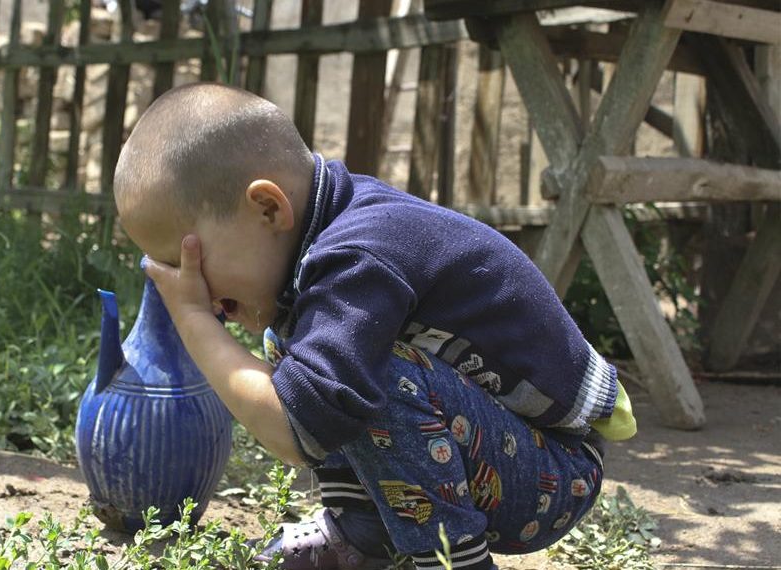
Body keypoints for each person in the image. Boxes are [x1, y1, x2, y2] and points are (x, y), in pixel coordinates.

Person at [112, 82, 637, 570]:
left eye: (188, 264)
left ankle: (450, 559)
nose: (193, 288)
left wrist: (196, 320)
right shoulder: (331, 243)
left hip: (554, 472)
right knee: (300, 345)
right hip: (506, 448)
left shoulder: (360, 256)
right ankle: (364, 534)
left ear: (269, 208)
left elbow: (299, 429)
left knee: (364, 380)